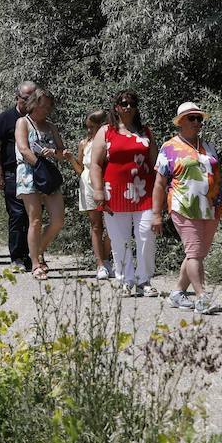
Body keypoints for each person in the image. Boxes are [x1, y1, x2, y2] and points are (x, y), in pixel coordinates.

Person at [157, 102, 222, 314]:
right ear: (180, 122)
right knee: (194, 252)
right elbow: (159, 183)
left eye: (199, 118)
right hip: (183, 206)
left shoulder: (209, 146)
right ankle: (202, 297)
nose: (197, 122)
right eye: (191, 118)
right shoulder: (169, 147)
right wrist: (156, 214)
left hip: (211, 207)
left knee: (197, 254)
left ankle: (177, 293)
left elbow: (219, 181)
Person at [88, 89, 157, 296]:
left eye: (131, 103)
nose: (128, 107)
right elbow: (96, 164)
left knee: (146, 235)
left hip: (144, 192)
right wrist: (98, 190)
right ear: (116, 107)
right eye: (123, 103)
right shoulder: (106, 131)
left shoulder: (145, 131)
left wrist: (162, 192)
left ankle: (144, 279)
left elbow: (155, 164)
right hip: (114, 193)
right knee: (120, 240)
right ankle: (126, 280)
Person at [15, 88, 75, 281]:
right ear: (35, 103)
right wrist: (39, 162)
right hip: (30, 173)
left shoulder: (51, 126)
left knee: (58, 220)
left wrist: (56, 153)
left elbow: (61, 150)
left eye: (50, 105)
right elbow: (23, 148)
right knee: (35, 219)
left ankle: (38, 249)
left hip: (48, 174)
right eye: (44, 104)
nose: (47, 108)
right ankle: (35, 263)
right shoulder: (23, 122)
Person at [0, 81, 36, 271]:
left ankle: (32, 256)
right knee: (17, 216)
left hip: (34, 173)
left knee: (33, 216)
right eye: (26, 98)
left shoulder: (37, 117)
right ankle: (17, 257)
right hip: (11, 173)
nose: (30, 102)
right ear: (17, 97)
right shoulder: (6, 118)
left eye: (34, 97)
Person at [72, 110, 113, 279]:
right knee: (96, 225)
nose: (89, 131)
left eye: (93, 127)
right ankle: (100, 264)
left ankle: (108, 259)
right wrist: (70, 159)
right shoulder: (84, 143)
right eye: (87, 127)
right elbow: (80, 169)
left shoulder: (110, 141)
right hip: (88, 182)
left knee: (113, 225)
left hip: (108, 182)